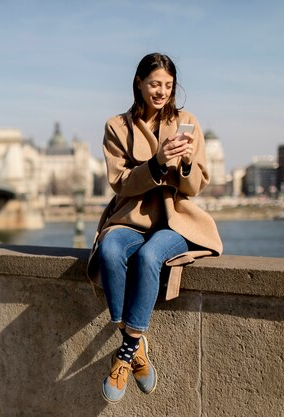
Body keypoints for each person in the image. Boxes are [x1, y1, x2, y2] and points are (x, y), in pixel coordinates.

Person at [87, 53, 223, 403]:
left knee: (149, 257)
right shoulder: (117, 126)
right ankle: (134, 344)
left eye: (168, 85)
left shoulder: (186, 121)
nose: (161, 91)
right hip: (130, 216)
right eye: (154, 84)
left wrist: (188, 162)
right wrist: (159, 161)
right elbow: (120, 184)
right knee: (110, 249)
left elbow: (196, 187)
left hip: (174, 220)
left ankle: (126, 352)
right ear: (139, 84)